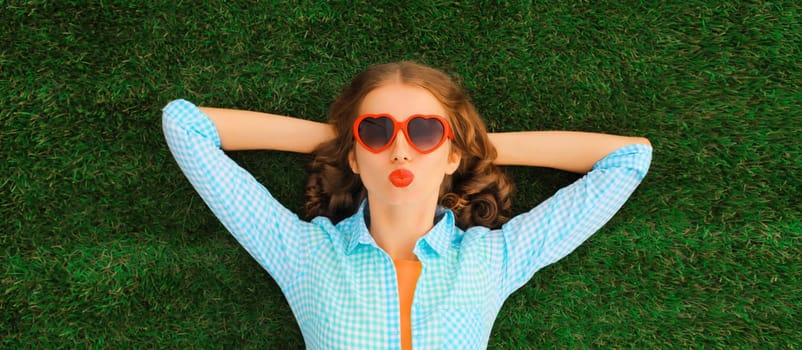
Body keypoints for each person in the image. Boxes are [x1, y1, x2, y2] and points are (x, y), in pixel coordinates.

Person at [162, 61, 652, 349]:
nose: (400, 149)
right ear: (354, 156)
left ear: (451, 152)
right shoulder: (302, 253)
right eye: (376, 130)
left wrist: (472, 144)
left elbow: (628, 158)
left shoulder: (491, 260)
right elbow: (185, 125)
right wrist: (339, 140)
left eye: (424, 130)